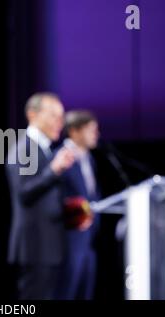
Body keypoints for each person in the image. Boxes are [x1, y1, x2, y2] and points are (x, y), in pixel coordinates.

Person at [6, 93, 84, 300]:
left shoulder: (44, 149)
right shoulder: (24, 148)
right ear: (32, 115)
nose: (60, 122)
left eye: (61, 116)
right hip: (36, 246)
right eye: (53, 116)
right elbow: (24, 192)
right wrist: (54, 169)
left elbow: (45, 198)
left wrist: (71, 211)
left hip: (49, 247)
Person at [59, 110, 101, 300]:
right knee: (66, 292)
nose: (96, 134)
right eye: (90, 130)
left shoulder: (89, 159)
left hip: (89, 239)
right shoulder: (61, 158)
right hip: (69, 240)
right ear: (74, 131)